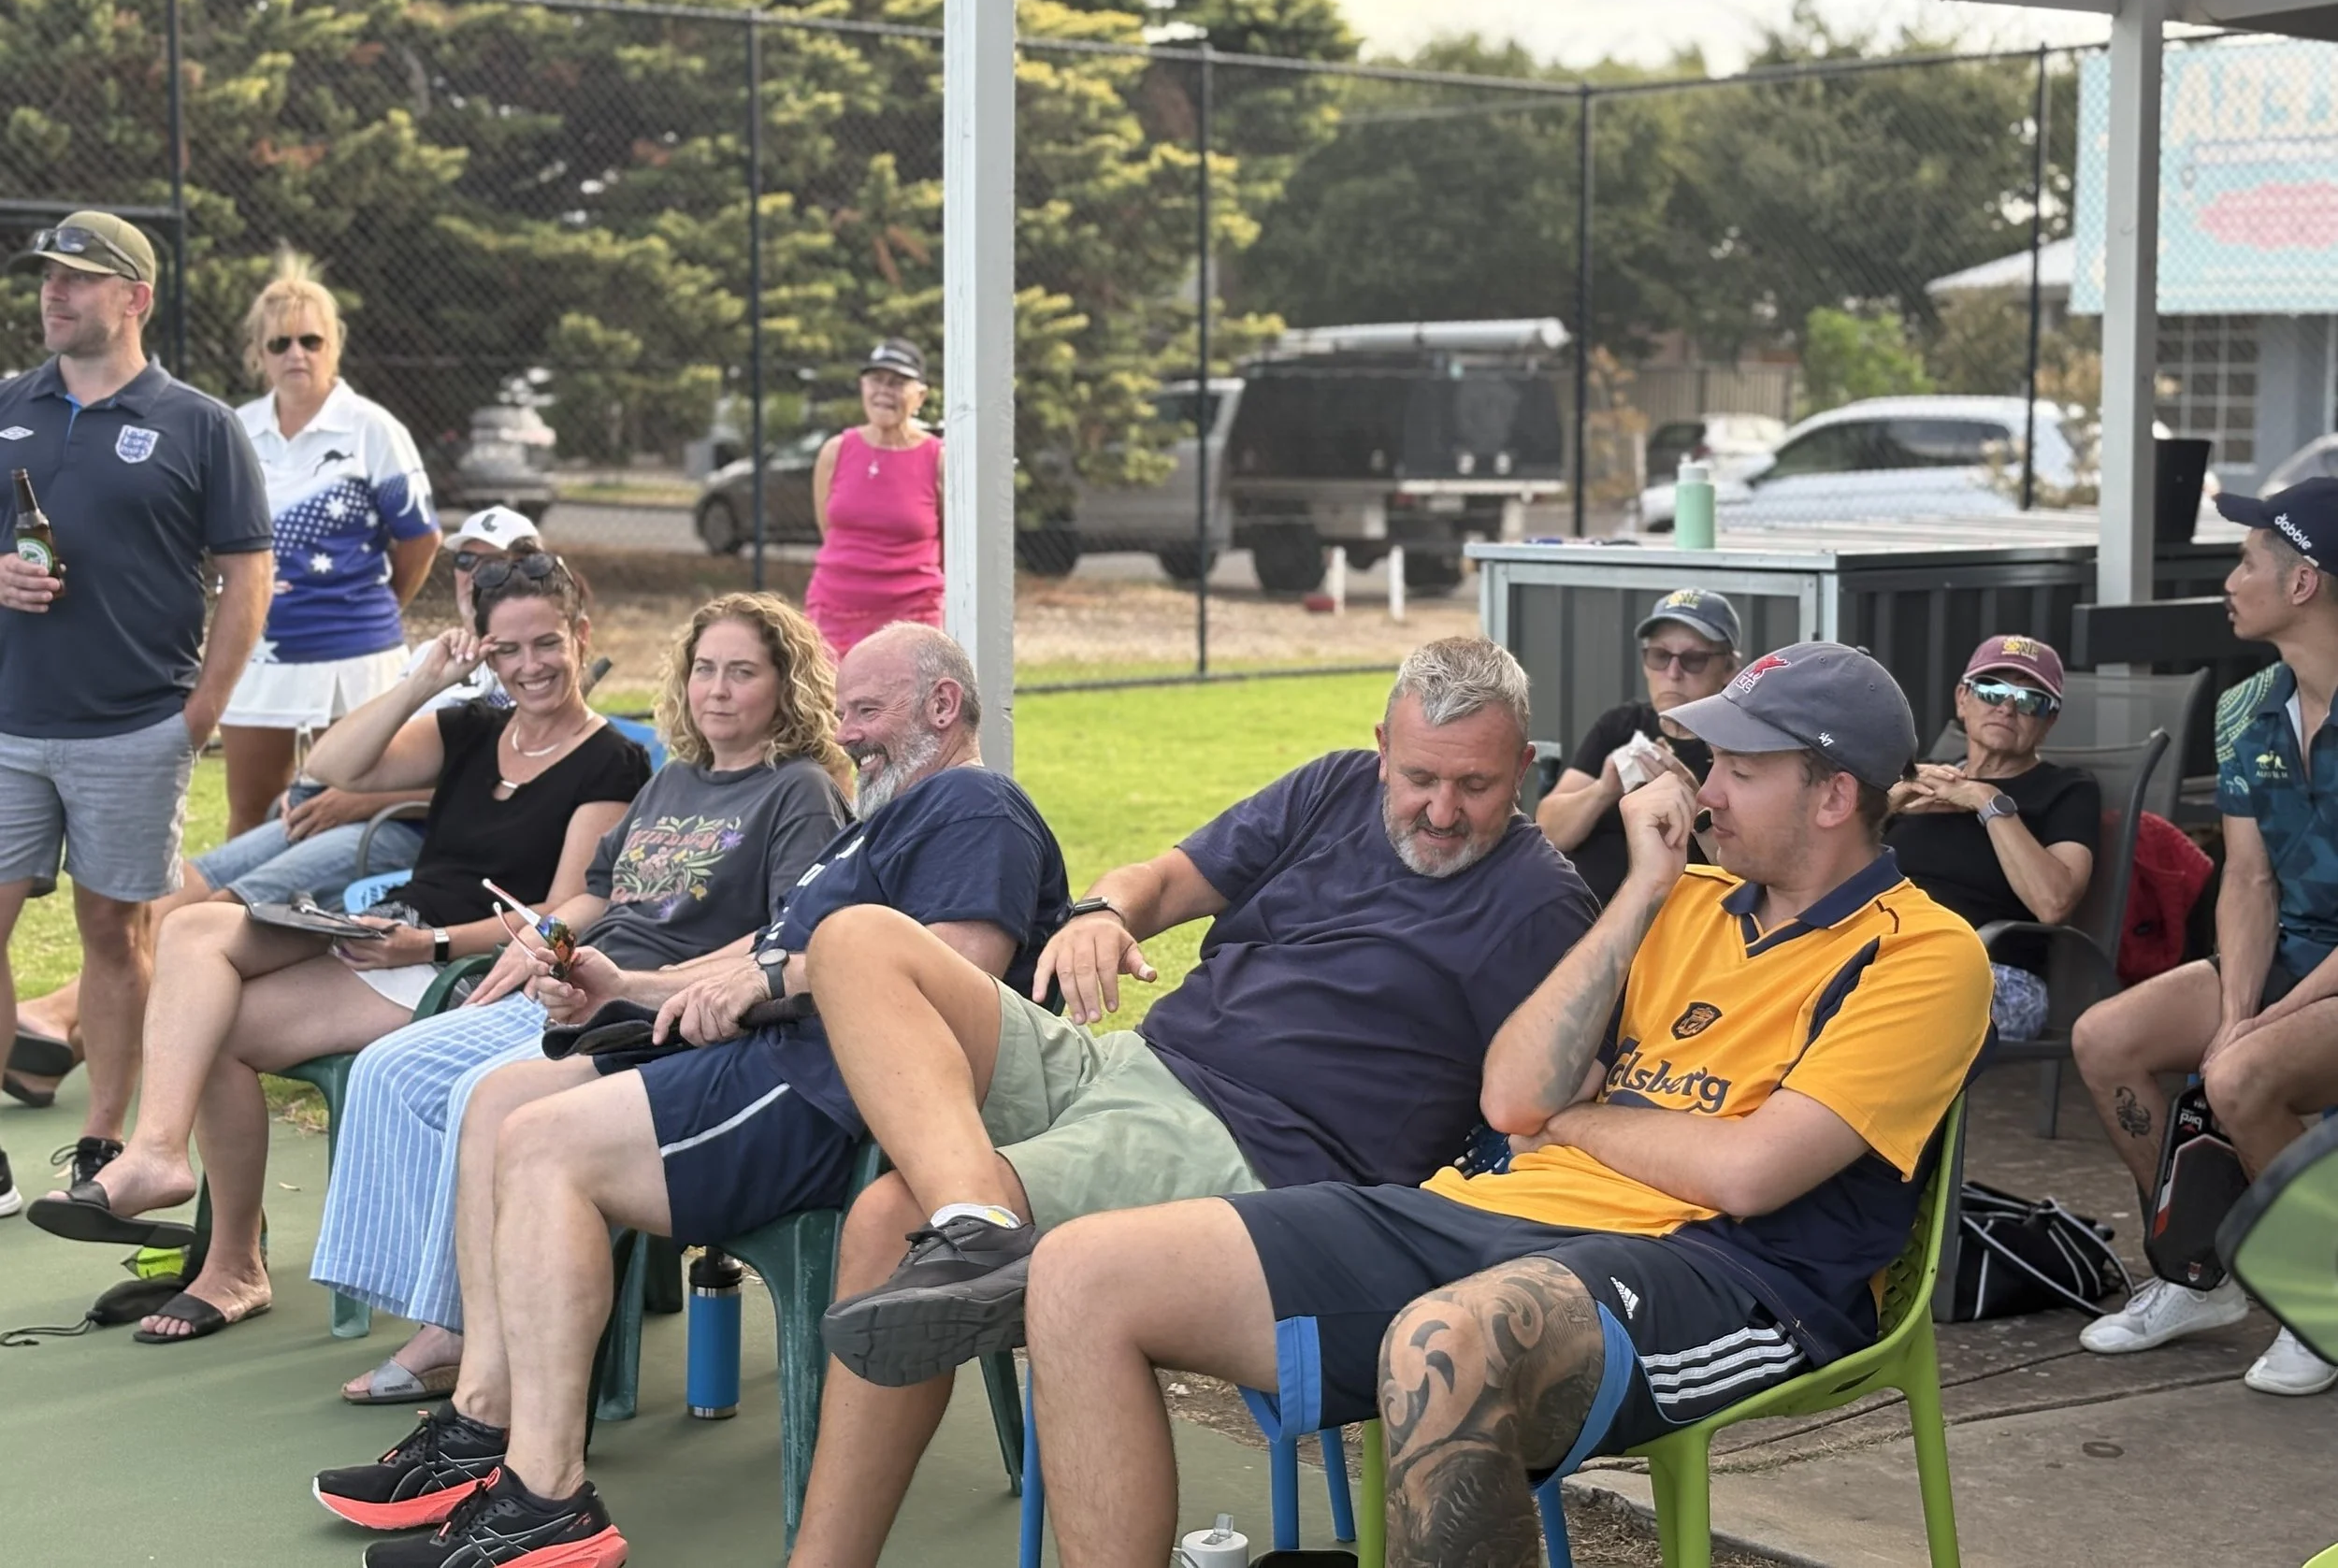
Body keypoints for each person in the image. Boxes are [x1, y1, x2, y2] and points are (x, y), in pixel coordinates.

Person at [1021, 641, 1989, 1567]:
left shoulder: (1921, 951)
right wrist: (1641, 892)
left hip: (1723, 1269)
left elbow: (1748, 1172)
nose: (1705, 789)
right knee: (1080, 1272)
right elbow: (1512, 1092)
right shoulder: (1679, 901)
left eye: (1739, 768)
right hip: (1490, 1214)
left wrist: (1574, 1124)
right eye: (1710, 760)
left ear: (1832, 796)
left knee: (1446, 1344)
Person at [787, 636, 1599, 1568]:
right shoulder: (1335, 788)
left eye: (1477, 786)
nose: (1442, 811)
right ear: (1382, 746)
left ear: (1525, 769)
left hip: (1243, 1147)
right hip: (1129, 1063)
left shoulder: (1541, 905)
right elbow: (1166, 880)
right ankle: (976, 1217)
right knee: (856, 941)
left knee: (889, 1221)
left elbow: (1548, 1097)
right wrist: (1102, 913)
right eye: (1420, 778)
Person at [311, 623, 1069, 1568]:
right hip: (767, 1061)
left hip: (827, 1095)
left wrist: (772, 986)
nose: (850, 734)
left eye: (866, 713)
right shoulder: (880, 821)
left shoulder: (972, 804)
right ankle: (483, 1424)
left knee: (545, 1146)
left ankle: (548, 1500)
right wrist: (622, 986)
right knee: (501, 1100)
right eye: (846, 713)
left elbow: (960, 971)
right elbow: (760, 960)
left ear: (943, 707)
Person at [27, 554, 649, 1345]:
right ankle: (164, 1162)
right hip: (387, 930)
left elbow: (561, 914)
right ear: (482, 652)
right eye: (506, 650)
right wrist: (424, 684)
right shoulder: (471, 727)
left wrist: (431, 940)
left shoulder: (611, 760)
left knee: (215, 1027)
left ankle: (225, 1254)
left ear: (580, 635)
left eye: (547, 644)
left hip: (454, 962)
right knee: (191, 931)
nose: (529, 666)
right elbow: (330, 765)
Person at [312, 592, 852, 1405]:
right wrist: (541, 941)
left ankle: (456, 1334)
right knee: (388, 1066)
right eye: (704, 669)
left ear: (786, 684)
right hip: (579, 984)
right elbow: (597, 893)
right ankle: (432, 1305)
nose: (716, 690)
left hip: (653, 1010)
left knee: (473, 1098)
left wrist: (632, 985)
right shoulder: (675, 781)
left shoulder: (798, 791)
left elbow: (785, 936)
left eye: (742, 672)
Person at [4, 508, 539, 1110]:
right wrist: (328, 788)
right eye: (467, 560)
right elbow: (351, 751)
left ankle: (59, 1023)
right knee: (180, 886)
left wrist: (358, 798)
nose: (476, 574)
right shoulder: (432, 657)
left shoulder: (527, 666)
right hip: (338, 803)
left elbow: (508, 801)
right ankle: (62, 1038)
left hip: (399, 827)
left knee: (222, 912)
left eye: (500, 563)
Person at [0, 209, 272, 1224]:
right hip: (8, 720)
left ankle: (101, 1143)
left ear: (135, 298)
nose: (52, 293)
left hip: (133, 729)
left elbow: (247, 576)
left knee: (113, 931)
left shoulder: (199, 424)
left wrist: (202, 708)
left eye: (77, 277)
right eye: (46, 277)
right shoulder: (7, 408)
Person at [2073, 479, 2338, 1397]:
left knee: (2239, 1074)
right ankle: (2198, 1272)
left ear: (2302, 582)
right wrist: (2234, 1007)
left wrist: (2259, 1029)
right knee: (2105, 1037)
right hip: (2292, 951)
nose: (2229, 578)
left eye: (2244, 560)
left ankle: (2319, 1301)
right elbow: (2250, 879)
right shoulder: (2243, 709)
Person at [220, 251, 441, 837]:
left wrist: (379, 607)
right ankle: (233, 924)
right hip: (258, 650)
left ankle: (341, 928)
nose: (296, 354)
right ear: (258, 355)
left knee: (344, 806)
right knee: (250, 809)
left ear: (332, 348)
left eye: (311, 341)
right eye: (280, 343)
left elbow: (421, 537)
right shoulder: (234, 430)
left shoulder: (373, 429)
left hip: (357, 652)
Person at [1885, 635, 2099, 1042]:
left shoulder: (2067, 790)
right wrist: (1887, 805)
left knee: (1866, 1008)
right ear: (1962, 699)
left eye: (2030, 699)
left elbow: (2053, 902)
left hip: (1993, 972)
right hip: (1885, 954)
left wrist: (1989, 801)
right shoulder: (1924, 783)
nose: (2006, 707)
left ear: (2048, 721)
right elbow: (1826, 873)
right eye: (1991, 690)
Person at [1536, 589, 1737, 902]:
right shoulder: (1620, 725)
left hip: (1679, 924)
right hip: (1580, 913)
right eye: (1659, 655)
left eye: (1693, 659)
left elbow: (1746, 876)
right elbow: (1547, 832)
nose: (1673, 673)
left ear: (1728, 669)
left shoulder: (1737, 744)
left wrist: (1696, 805)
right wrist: (1603, 791)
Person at [802, 338, 944, 661]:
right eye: (876, 380)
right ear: (862, 386)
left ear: (919, 396)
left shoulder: (938, 460)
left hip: (911, 615)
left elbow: (948, 545)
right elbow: (830, 531)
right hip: (833, 611)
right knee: (828, 706)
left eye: (897, 383)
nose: (884, 391)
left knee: (905, 707)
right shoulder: (835, 451)